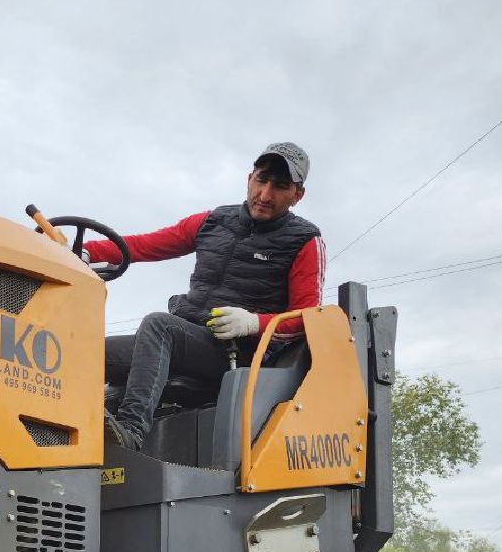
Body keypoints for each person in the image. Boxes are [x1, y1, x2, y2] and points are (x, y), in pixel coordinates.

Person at [83, 142, 325, 450]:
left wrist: (254, 323)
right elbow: (144, 244)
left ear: (298, 195)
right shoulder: (212, 222)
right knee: (85, 352)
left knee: (159, 325)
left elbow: (308, 318)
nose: (265, 195)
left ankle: (130, 432)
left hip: (235, 354)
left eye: (279, 187)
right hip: (181, 341)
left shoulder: (305, 241)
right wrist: (88, 251)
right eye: (261, 181)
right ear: (249, 178)